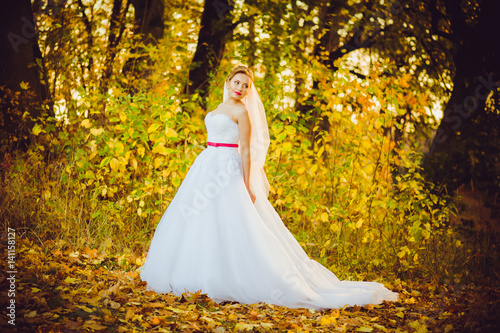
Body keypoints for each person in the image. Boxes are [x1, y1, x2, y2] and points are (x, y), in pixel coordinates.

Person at [139, 65, 398, 309]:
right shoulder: (218, 108)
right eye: (237, 82)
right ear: (228, 83)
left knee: (232, 223)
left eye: (246, 85)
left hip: (228, 169)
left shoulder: (242, 112)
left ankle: (235, 278)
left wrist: (246, 183)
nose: (240, 87)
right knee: (199, 219)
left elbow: (248, 151)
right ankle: (194, 272)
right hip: (206, 165)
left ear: (249, 91)